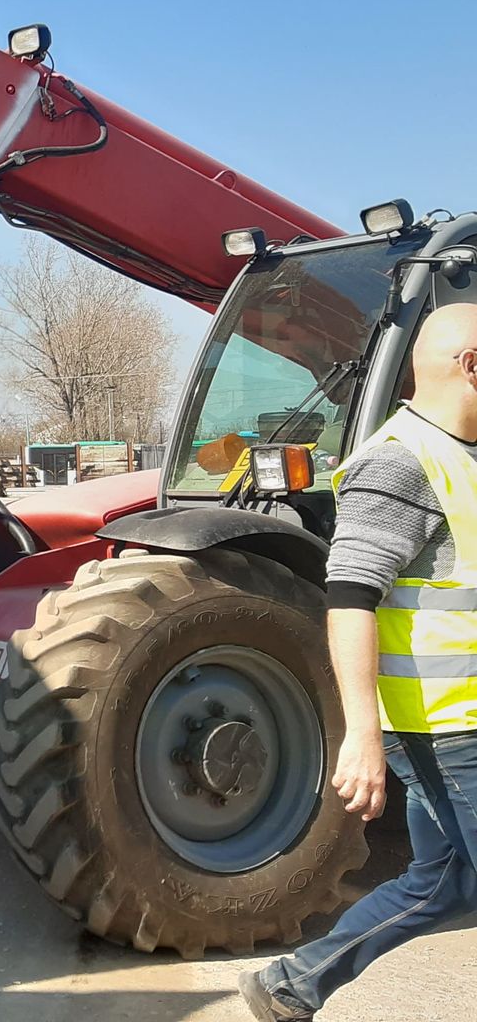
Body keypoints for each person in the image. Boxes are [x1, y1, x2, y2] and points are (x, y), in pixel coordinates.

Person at [241, 302, 477, 1020]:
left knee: (444, 883)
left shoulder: (462, 458)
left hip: (459, 719)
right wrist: (363, 736)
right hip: (445, 728)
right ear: (472, 365)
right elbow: (349, 602)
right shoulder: (400, 462)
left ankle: (291, 985)